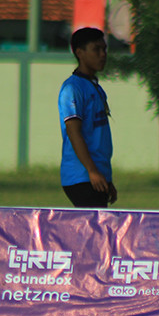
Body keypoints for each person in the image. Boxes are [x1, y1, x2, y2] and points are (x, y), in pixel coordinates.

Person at [58, 27, 117, 207]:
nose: (102, 54)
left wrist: (106, 177)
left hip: (97, 175)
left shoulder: (94, 87)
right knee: (93, 233)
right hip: (81, 176)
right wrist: (91, 171)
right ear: (80, 53)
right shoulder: (72, 89)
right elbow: (74, 132)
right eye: (96, 49)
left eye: (104, 49)